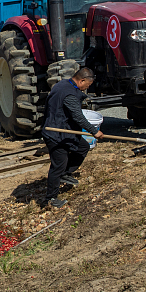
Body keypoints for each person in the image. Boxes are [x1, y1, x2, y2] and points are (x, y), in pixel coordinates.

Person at [41, 67, 104, 208]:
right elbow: (78, 116)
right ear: (81, 80)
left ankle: (66, 173)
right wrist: (94, 131)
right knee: (58, 165)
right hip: (55, 133)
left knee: (83, 147)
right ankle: (50, 199)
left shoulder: (62, 84)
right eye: (87, 85)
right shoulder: (69, 94)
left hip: (64, 130)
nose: (87, 88)